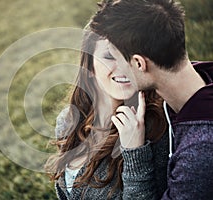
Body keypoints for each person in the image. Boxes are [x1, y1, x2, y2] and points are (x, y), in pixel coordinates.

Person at [90, 0, 213, 199]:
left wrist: (134, 153)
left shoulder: (199, 152)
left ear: (139, 63)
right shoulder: (200, 83)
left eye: (116, 58)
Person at [45, 27, 169, 199]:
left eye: (130, 56)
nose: (124, 67)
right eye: (110, 56)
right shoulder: (68, 120)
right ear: (90, 65)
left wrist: (135, 151)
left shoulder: (157, 130)